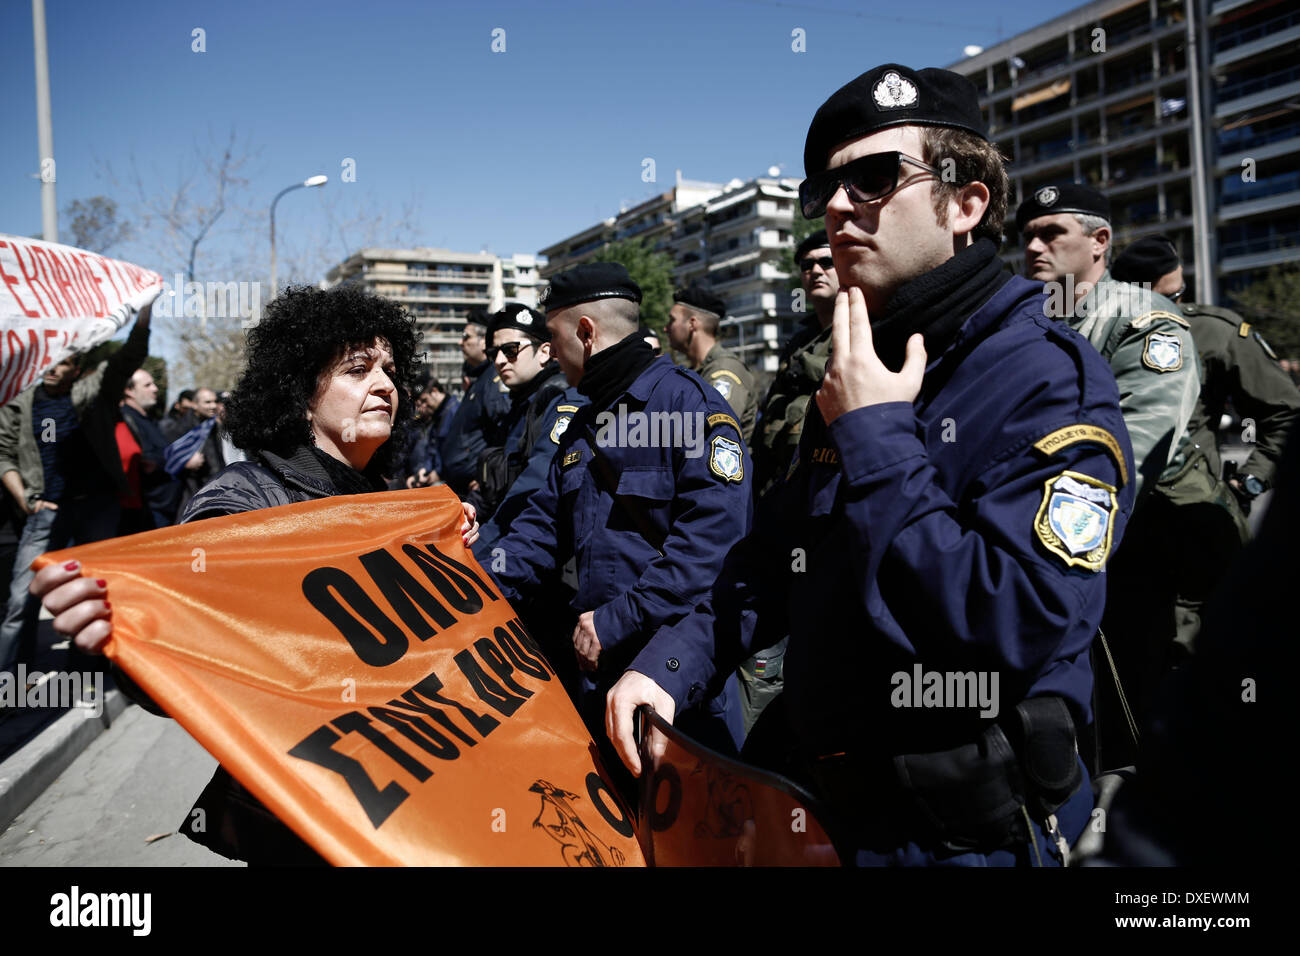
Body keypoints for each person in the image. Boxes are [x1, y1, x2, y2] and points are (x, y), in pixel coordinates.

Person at [606, 63, 1136, 867]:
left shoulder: (1046, 375)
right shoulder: (856, 356)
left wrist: (877, 433)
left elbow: (1018, 620)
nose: (839, 206)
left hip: (957, 835)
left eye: (876, 177)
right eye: (826, 188)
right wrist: (670, 666)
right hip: (820, 809)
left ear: (966, 203)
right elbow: (771, 562)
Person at [31, 285, 478, 865]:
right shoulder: (243, 505)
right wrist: (119, 632)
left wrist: (446, 554)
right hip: (304, 821)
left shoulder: (388, 505)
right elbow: (185, 660)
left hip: (407, 803)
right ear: (299, 398)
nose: (386, 385)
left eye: (391, 370)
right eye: (358, 369)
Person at [484, 262, 752, 795]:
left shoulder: (686, 404)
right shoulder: (583, 420)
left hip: (677, 686)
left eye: (553, 336)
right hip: (598, 679)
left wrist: (618, 619)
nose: (551, 351)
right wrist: (463, 586)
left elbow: (714, 550)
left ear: (585, 331)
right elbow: (538, 531)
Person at [0, 300, 154, 678]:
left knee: (93, 593)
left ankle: (84, 675)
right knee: (21, 599)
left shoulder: (91, 394)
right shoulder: (18, 403)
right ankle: (10, 683)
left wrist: (144, 312)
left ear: (76, 369)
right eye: (50, 362)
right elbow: (4, 454)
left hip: (96, 509)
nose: (55, 368)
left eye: (64, 362)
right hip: (46, 509)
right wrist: (27, 500)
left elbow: (128, 356)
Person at [1017, 184, 1199, 501]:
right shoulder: (1024, 321)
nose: (1033, 247)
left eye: (1051, 234)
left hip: (1146, 518)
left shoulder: (1144, 316)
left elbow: (1139, 442)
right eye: (1028, 237)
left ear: (1099, 242)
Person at [468, 303, 586, 552]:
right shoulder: (519, 406)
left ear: (544, 352)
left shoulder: (560, 401)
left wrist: (477, 553)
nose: (499, 361)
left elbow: (533, 493)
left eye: (510, 350)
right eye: (493, 354)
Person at [752, 231, 840, 498]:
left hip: (830, 479)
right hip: (783, 475)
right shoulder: (799, 340)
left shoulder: (863, 326)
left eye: (826, 262)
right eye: (806, 265)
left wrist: (809, 366)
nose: (815, 271)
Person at [665, 284, 757, 444]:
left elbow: (711, 433)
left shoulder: (724, 370)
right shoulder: (695, 370)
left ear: (692, 324)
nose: (666, 328)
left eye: (672, 320)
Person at [439, 316, 512, 496]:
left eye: (466, 336)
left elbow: (504, 429)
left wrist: (486, 474)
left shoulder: (493, 378)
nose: (460, 342)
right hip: (460, 486)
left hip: (477, 489)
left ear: (483, 342)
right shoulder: (480, 379)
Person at [119, 368, 182, 530]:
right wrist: (181, 459)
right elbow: (146, 460)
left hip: (166, 505)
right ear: (129, 391)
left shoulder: (149, 418)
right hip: (151, 508)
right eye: (147, 385)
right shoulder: (126, 419)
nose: (155, 389)